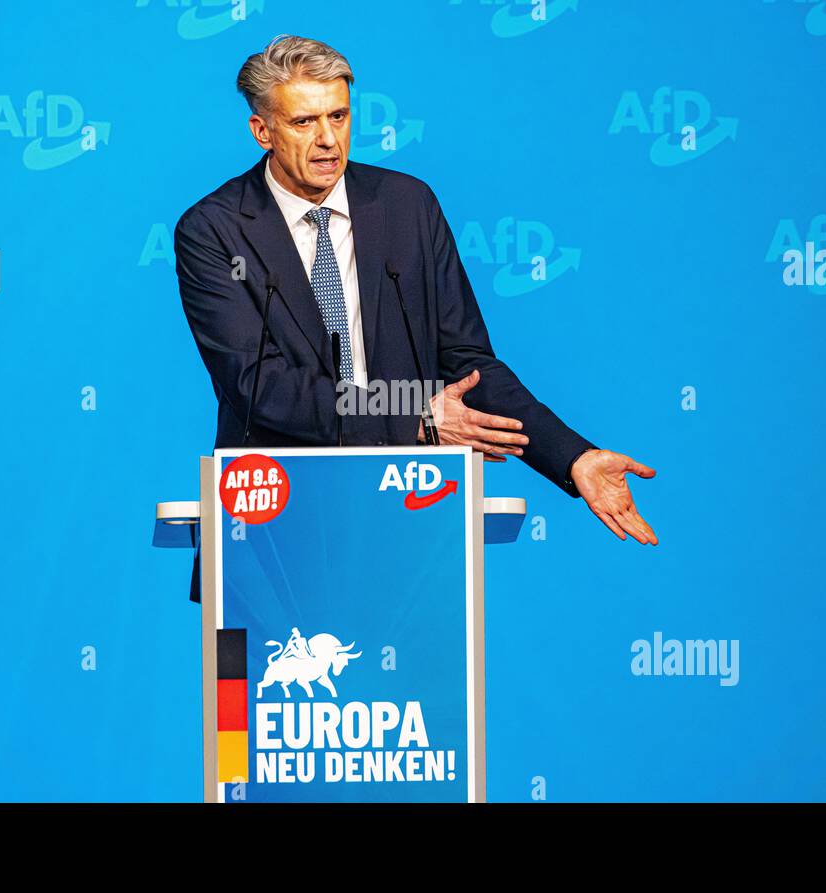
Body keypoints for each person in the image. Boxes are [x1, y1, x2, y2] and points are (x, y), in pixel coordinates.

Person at [176, 36, 657, 603]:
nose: (329, 140)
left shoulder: (407, 206)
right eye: (305, 122)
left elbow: (469, 365)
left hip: (410, 525)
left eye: (339, 115)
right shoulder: (214, 231)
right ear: (263, 131)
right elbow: (262, 388)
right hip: (275, 534)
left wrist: (571, 455)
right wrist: (413, 413)